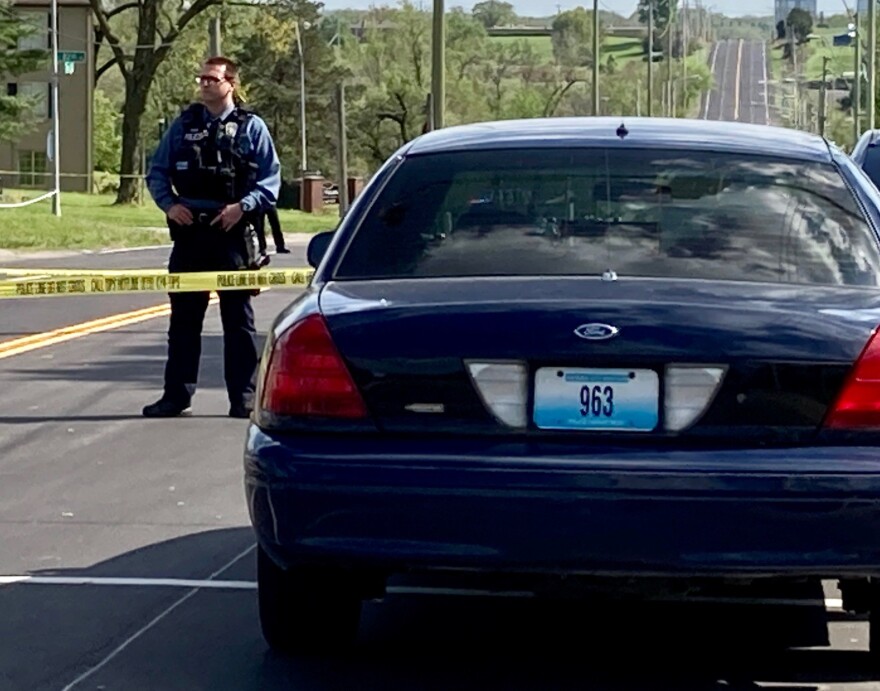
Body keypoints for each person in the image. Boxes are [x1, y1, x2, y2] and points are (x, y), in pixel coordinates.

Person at [143, 56, 281, 419]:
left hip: (232, 234)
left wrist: (242, 206)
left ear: (230, 84)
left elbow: (270, 182)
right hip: (190, 234)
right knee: (183, 322)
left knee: (238, 322)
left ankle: (244, 398)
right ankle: (176, 396)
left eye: (212, 79)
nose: (204, 84)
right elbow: (156, 171)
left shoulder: (252, 128)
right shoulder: (184, 125)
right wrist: (170, 205)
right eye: (201, 78)